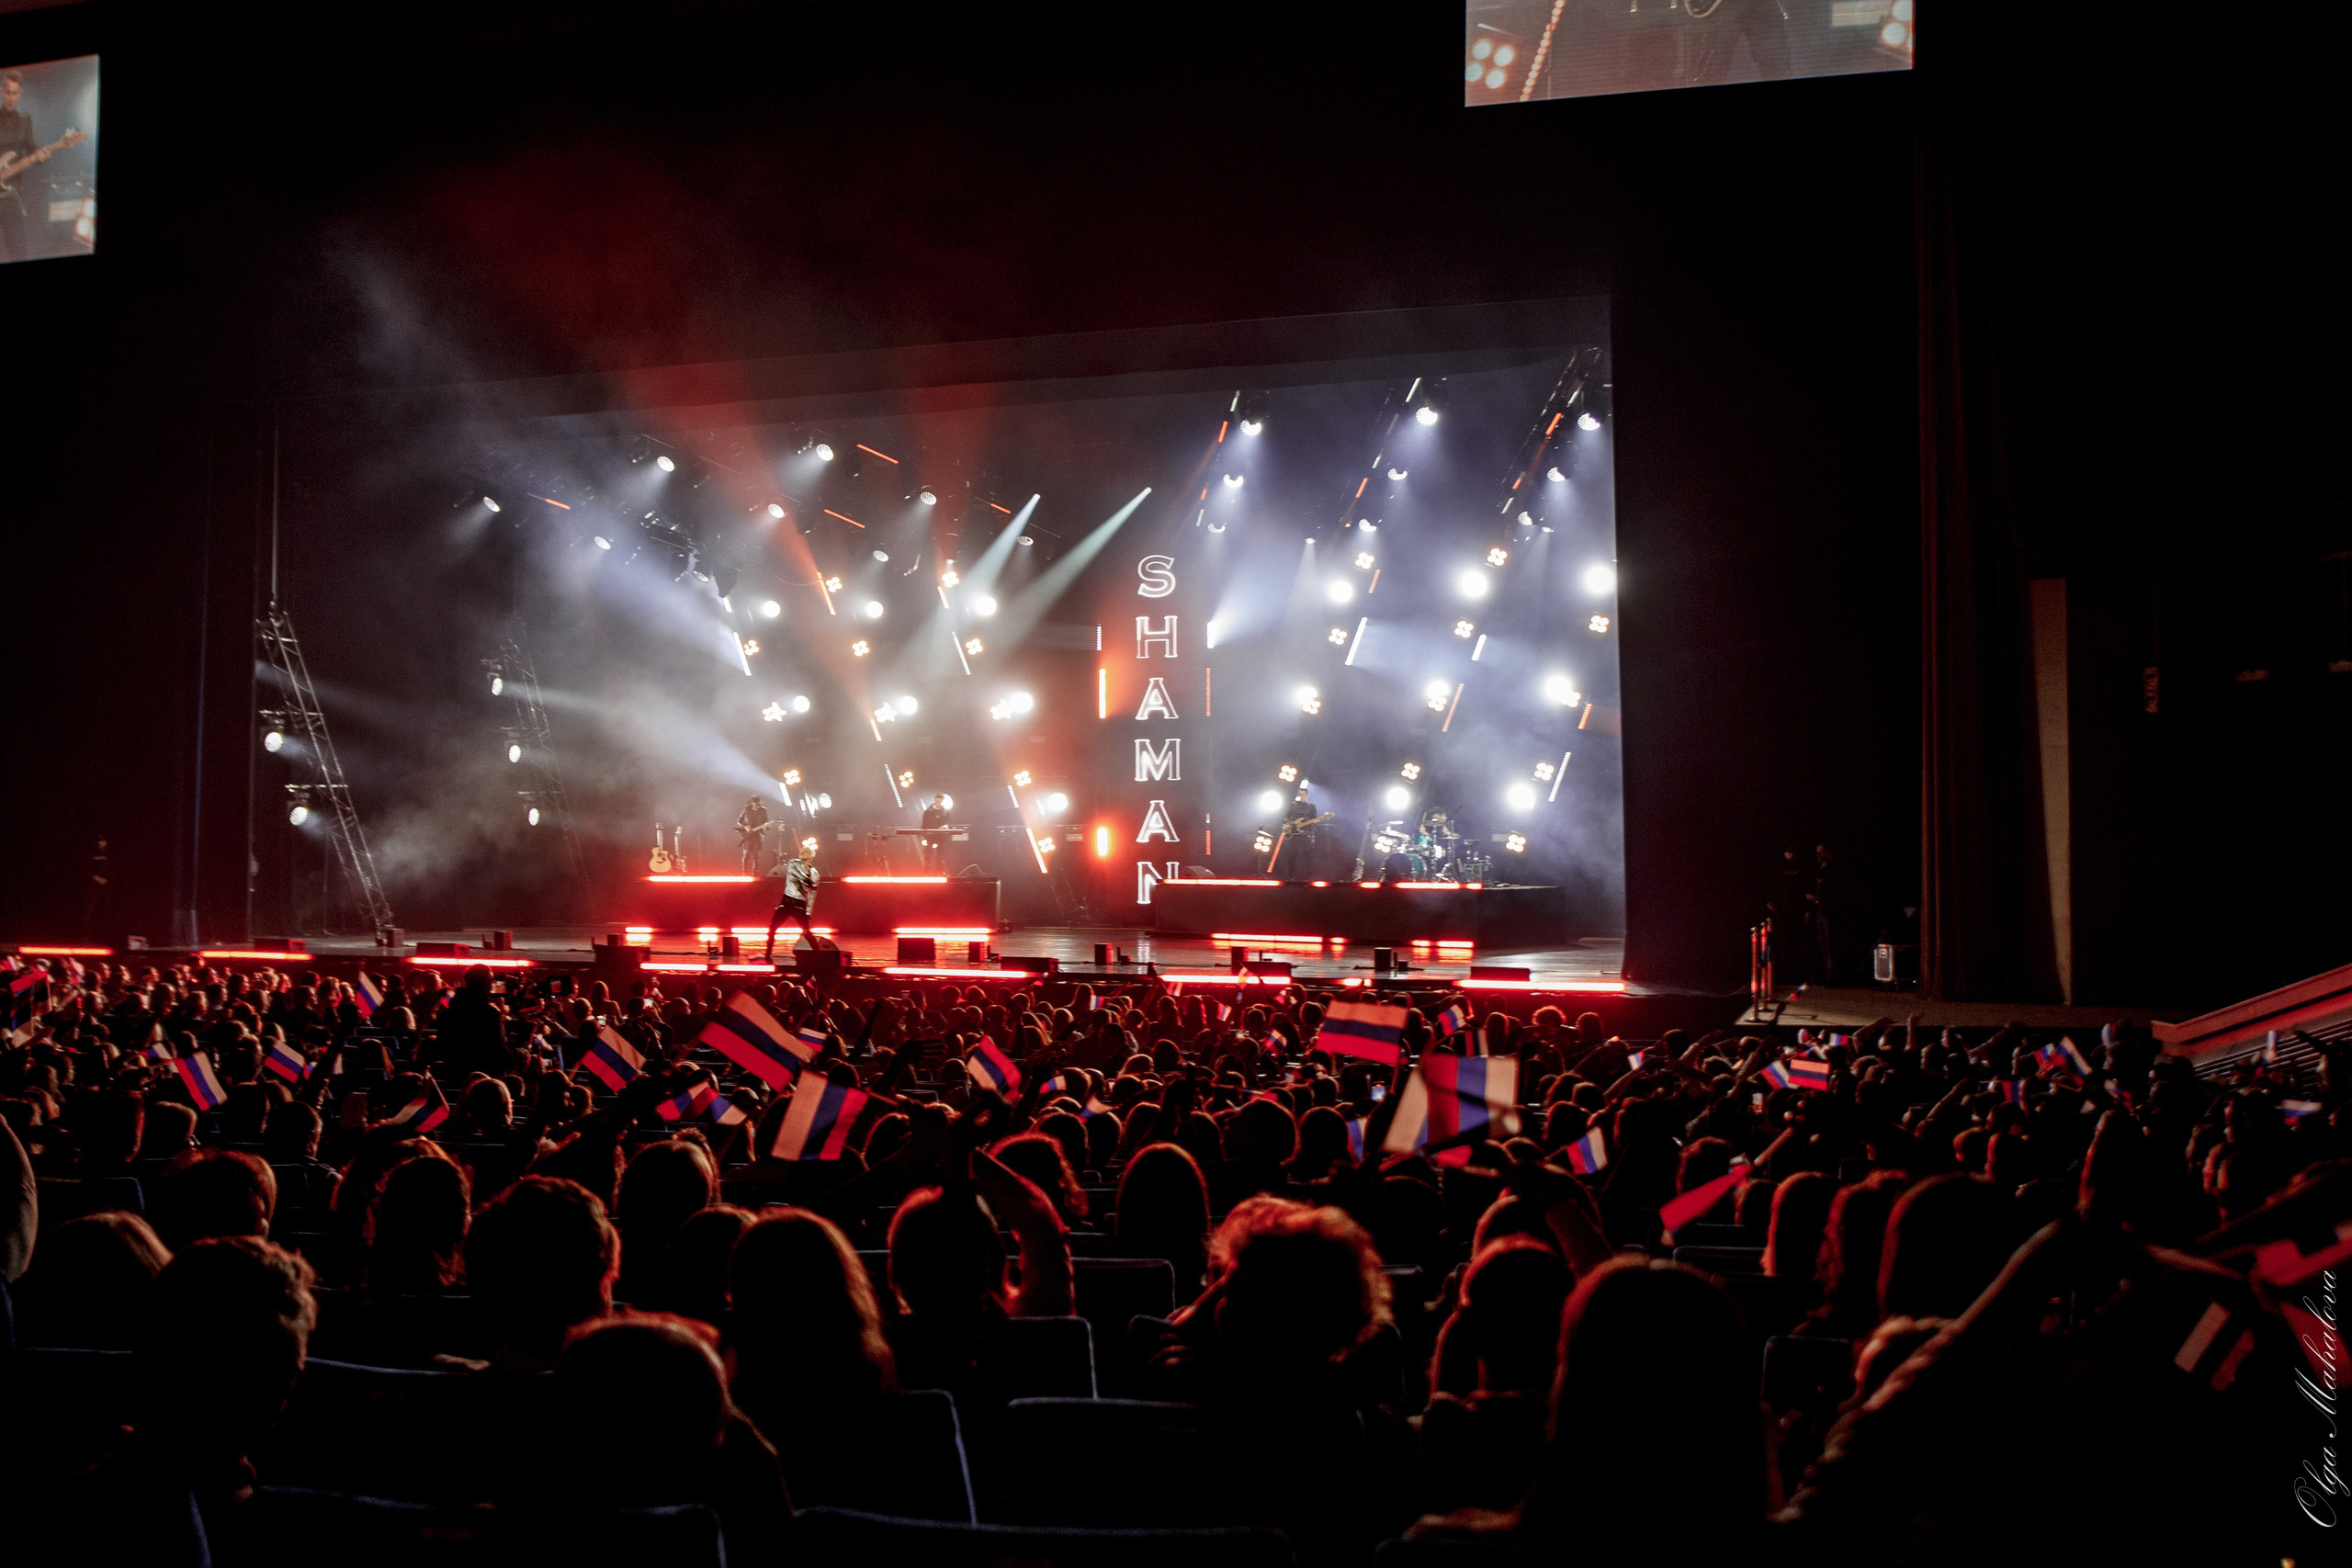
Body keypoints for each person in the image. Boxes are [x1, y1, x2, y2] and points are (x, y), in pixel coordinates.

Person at [763, 840, 821, 962]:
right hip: (786, 903)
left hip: (799, 905)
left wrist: (809, 911)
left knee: (807, 933)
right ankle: (768, 954)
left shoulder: (815, 873)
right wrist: (808, 881)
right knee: (772, 928)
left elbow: (812, 893)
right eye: (802, 850)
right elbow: (798, 875)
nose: (802, 852)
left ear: (811, 856)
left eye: (806, 851)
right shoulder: (792, 863)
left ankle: (820, 956)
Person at [735, 795, 772, 874]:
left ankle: (755, 874)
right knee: (746, 855)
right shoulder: (746, 810)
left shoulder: (763, 810)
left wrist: (767, 825)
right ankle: (745, 873)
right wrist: (745, 826)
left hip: (758, 835)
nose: (757, 806)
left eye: (759, 804)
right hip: (748, 835)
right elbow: (739, 820)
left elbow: (767, 821)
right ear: (752, 804)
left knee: (756, 856)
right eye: (756, 804)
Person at [918, 792, 951, 873]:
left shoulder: (946, 813)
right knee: (928, 854)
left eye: (940, 800)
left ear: (942, 800)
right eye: (937, 800)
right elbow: (924, 824)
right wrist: (922, 836)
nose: (938, 802)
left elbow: (949, 823)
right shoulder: (928, 812)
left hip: (941, 837)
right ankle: (927, 871)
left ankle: (938, 871)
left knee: (940, 855)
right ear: (935, 799)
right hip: (930, 836)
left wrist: (946, 826)